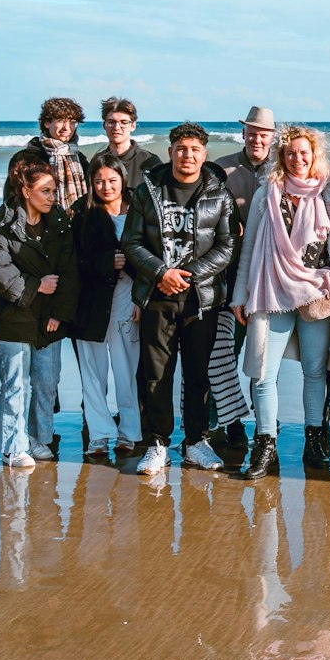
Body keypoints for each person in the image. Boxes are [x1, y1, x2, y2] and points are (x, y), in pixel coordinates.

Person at [123, 122, 237, 475]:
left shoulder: (219, 194)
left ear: (205, 154)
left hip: (200, 298)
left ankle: (195, 442)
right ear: (170, 151)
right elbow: (131, 242)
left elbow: (227, 246)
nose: (188, 155)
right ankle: (157, 444)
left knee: (198, 373)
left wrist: (188, 275)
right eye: (181, 149)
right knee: (155, 374)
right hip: (157, 295)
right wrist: (161, 273)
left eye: (195, 150)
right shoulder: (147, 191)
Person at [232, 126, 330, 478]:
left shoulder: (328, 195)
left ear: (314, 156)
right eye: (291, 153)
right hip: (271, 291)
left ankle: (314, 441)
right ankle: (266, 445)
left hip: (315, 295)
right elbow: (249, 246)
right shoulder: (266, 194)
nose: (297, 159)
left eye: (304, 153)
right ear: (282, 156)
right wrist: (240, 295)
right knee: (264, 373)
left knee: (315, 371)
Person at [0, 160, 77, 469]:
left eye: (54, 191)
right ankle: (13, 446)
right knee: (16, 385)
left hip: (49, 319)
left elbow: (70, 271)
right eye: (45, 191)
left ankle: (39, 438)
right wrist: (36, 286)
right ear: (25, 191)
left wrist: (59, 312)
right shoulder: (1, 228)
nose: (52, 197)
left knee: (47, 383)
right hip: (11, 319)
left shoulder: (59, 225)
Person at [208, 106, 277, 448]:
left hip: (270, 276)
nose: (257, 139)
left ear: (272, 137)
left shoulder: (282, 169)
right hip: (229, 271)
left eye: (263, 134)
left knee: (264, 356)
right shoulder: (222, 168)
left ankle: (266, 424)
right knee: (225, 352)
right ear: (243, 134)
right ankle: (224, 422)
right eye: (252, 132)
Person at [69, 155, 141, 463]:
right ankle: (98, 434)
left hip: (127, 296)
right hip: (90, 301)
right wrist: (105, 263)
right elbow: (72, 262)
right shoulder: (83, 214)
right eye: (98, 181)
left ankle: (129, 432)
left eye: (112, 180)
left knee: (128, 369)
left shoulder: (139, 210)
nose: (106, 186)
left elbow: (152, 253)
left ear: (123, 179)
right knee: (92, 371)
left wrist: (141, 298)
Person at [10, 96, 92, 211]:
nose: (67, 128)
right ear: (47, 123)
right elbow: (13, 199)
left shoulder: (79, 158)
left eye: (72, 122)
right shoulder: (27, 158)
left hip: (77, 219)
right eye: (60, 121)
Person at [91, 96, 161, 186]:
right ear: (104, 125)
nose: (116, 127)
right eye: (111, 122)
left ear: (133, 126)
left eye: (124, 122)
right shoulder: (97, 161)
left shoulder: (150, 162)